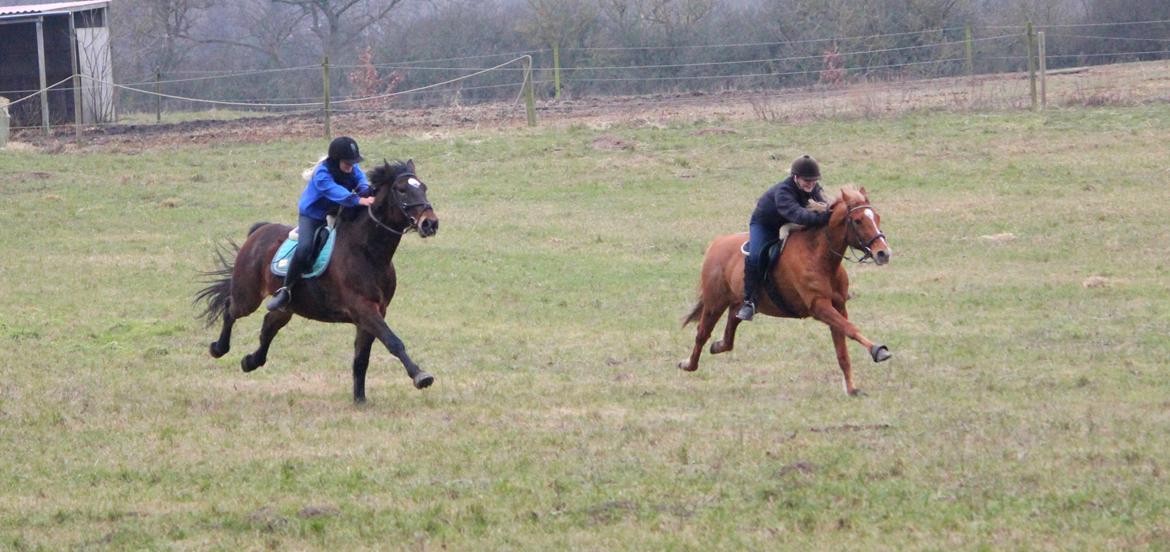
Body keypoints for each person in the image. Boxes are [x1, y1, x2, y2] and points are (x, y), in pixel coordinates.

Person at [267, 136, 376, 311]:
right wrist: (359, 200)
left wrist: (365, 189)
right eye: (347, 163)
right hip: (314, 216)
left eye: (352, 163)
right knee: (304, 248)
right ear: (335, 160)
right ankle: (285, 291)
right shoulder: (322, 174)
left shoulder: (351, 167)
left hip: (338, 212)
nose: (351, 166)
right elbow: (336, 192)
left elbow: (361, 179)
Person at [736, 155, 831, 321]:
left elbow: (824, 206)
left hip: (789, 224)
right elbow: (799, 215)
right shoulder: (784, 191)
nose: (810, 184)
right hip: (766, 225)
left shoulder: (815, 189)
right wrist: (823, 218)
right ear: (795, 177)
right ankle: (749, 302)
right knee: (756, 255)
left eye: (813, 180)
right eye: (806, 180)